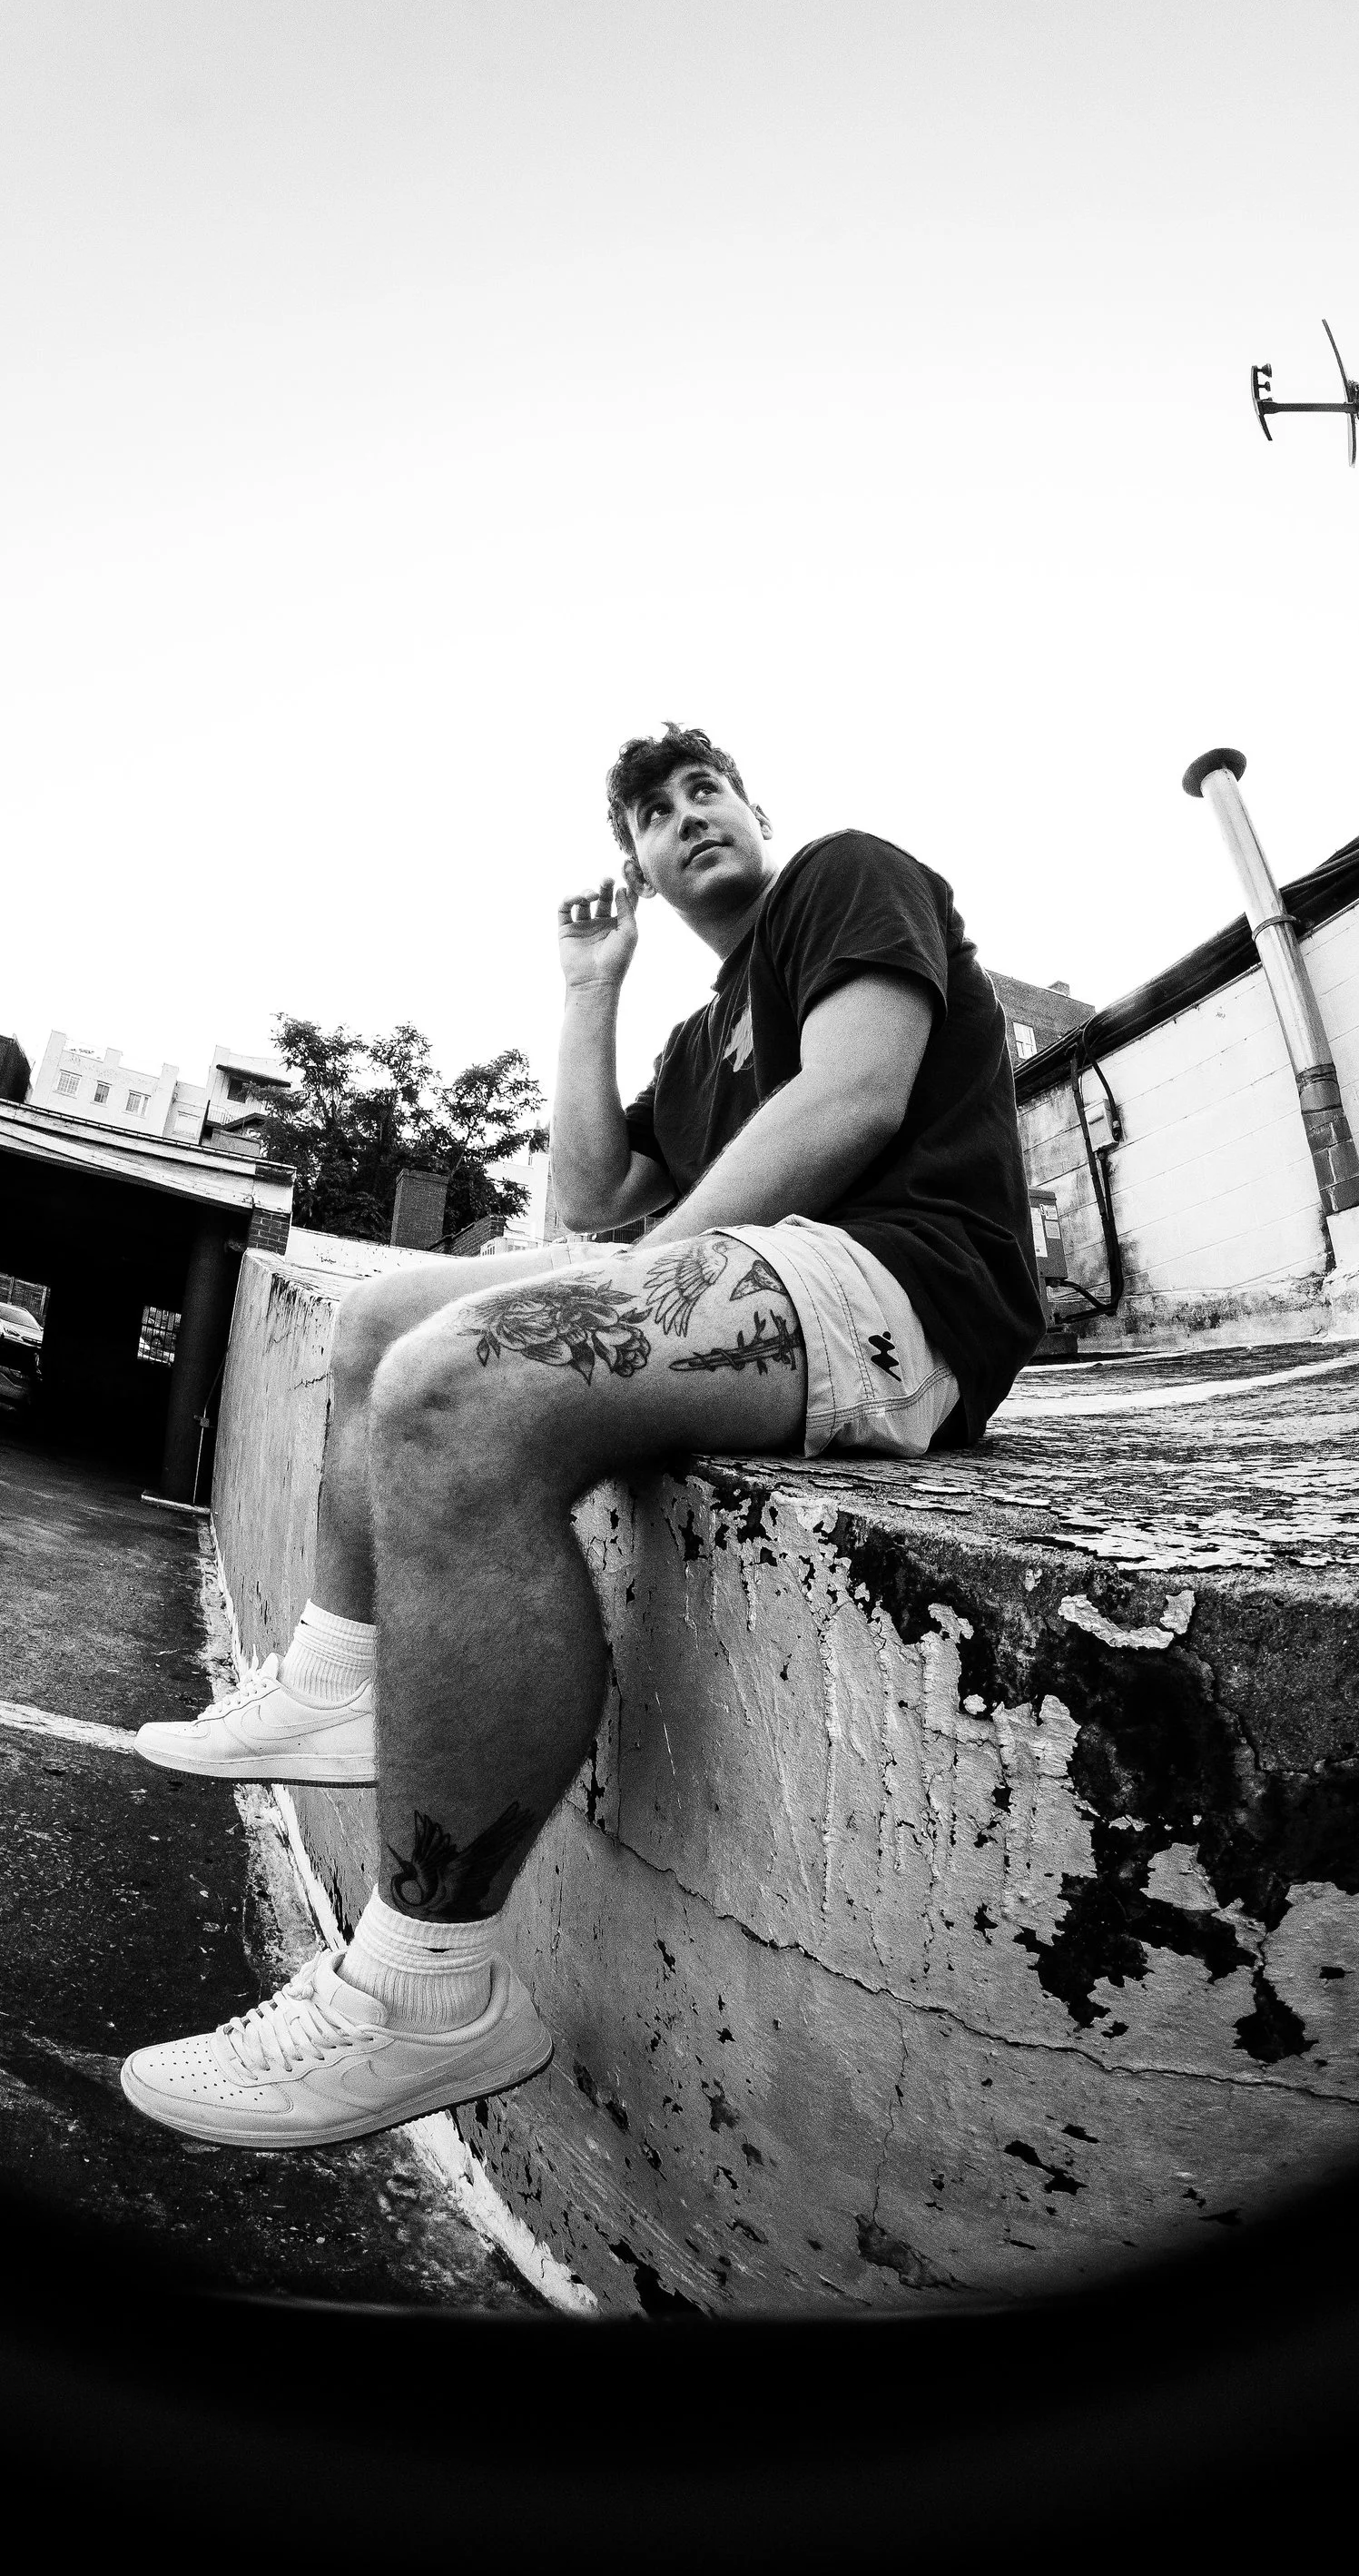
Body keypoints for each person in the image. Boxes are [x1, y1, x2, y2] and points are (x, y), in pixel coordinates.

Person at [119, 724, 1041, 2149]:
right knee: (381, 1328)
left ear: (753, 807)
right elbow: (594, 1192)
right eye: (656, 817)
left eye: (704, 792)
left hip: (899, 1282)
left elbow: (854, 1094)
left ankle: (422, 1987)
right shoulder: (699, 1033)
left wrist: (630, 1269)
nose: (688, 820)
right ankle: (333, 1677)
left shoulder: (847, 880)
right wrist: (588, 989)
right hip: (762, 1270)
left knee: (454, 1387)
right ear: (643, 868)